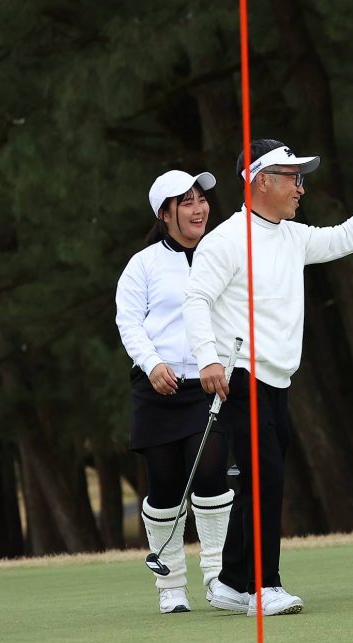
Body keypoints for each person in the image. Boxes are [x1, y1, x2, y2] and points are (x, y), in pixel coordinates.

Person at [184, 139, 353, 616]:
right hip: (240, 376)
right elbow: (196, 299)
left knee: (260, 480)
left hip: (277, 379)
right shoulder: (225, 240)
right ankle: (264, 587)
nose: (301, 188)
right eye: (293, 178)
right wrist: (207, 360)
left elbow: (347, 236)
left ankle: (231, 582)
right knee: (265, 480)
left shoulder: (292, 236)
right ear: (261, 181)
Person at [115, 170, 235, 614]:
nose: (199, 208)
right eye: (186, 202)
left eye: (201, 199)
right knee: (164, 485)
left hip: (210, 383)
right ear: (164, 214)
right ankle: (171, 585)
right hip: (158, 387)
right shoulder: (142, 265)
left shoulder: (223, 253)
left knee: (210, 473)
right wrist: (152, 364)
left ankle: (219, 577)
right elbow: (129, 322)